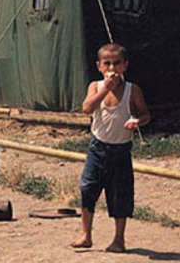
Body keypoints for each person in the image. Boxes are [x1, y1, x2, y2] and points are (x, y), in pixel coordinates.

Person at [71, 42, 151, 253]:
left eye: (117, 64)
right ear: (99, 66)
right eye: (107, 64)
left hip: (120, 150)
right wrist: (105, 88)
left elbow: (145, 114)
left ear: (125, 65)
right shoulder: (95, 87)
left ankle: (119, 239)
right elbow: (87, 108)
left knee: (119, 194)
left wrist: (137, 121)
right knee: (88, 188)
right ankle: (86, 235)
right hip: (97, 148)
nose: (112, 69)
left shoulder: (132, 90)